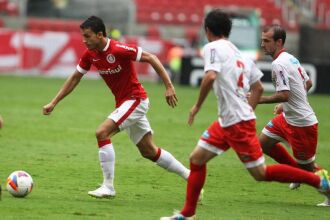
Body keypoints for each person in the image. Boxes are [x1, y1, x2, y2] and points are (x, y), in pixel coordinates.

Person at [161, 9, 330, 220]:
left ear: (207, 30)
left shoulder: (212, 47)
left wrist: (197, 105)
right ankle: (187, 213)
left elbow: (211, 76)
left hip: (237, 123)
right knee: (196, 158)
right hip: (229, 121)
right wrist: (247, 111)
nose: (263, 44)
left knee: (261, 174)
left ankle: (318, 181)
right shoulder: (240, 54)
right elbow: (258, 88)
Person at [43, 15, 190, 198]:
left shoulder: (118, 48)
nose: (84, 40)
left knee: (102, 132)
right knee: (149, 151)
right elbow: (75, 78)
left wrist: (169, 86)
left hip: (136, 99)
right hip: (125, 103)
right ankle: (190, 177)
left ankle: (108, 186)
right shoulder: (90, 55)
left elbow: (151, 57)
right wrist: (54, 102)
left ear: (99, 34)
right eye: (83, 36)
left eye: (87, 36)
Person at [258, 24, 329, 206]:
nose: (262, 44)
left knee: (310, 169)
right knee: (263, 143)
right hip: (287, 119)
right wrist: (284, 104)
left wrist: (259, 99)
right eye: (262, 40)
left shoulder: (278, 64)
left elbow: (285, 94)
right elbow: (309, 82)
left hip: (302, 124)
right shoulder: (290, 58)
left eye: (267, 41)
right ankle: (297, 173)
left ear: (279, 42)